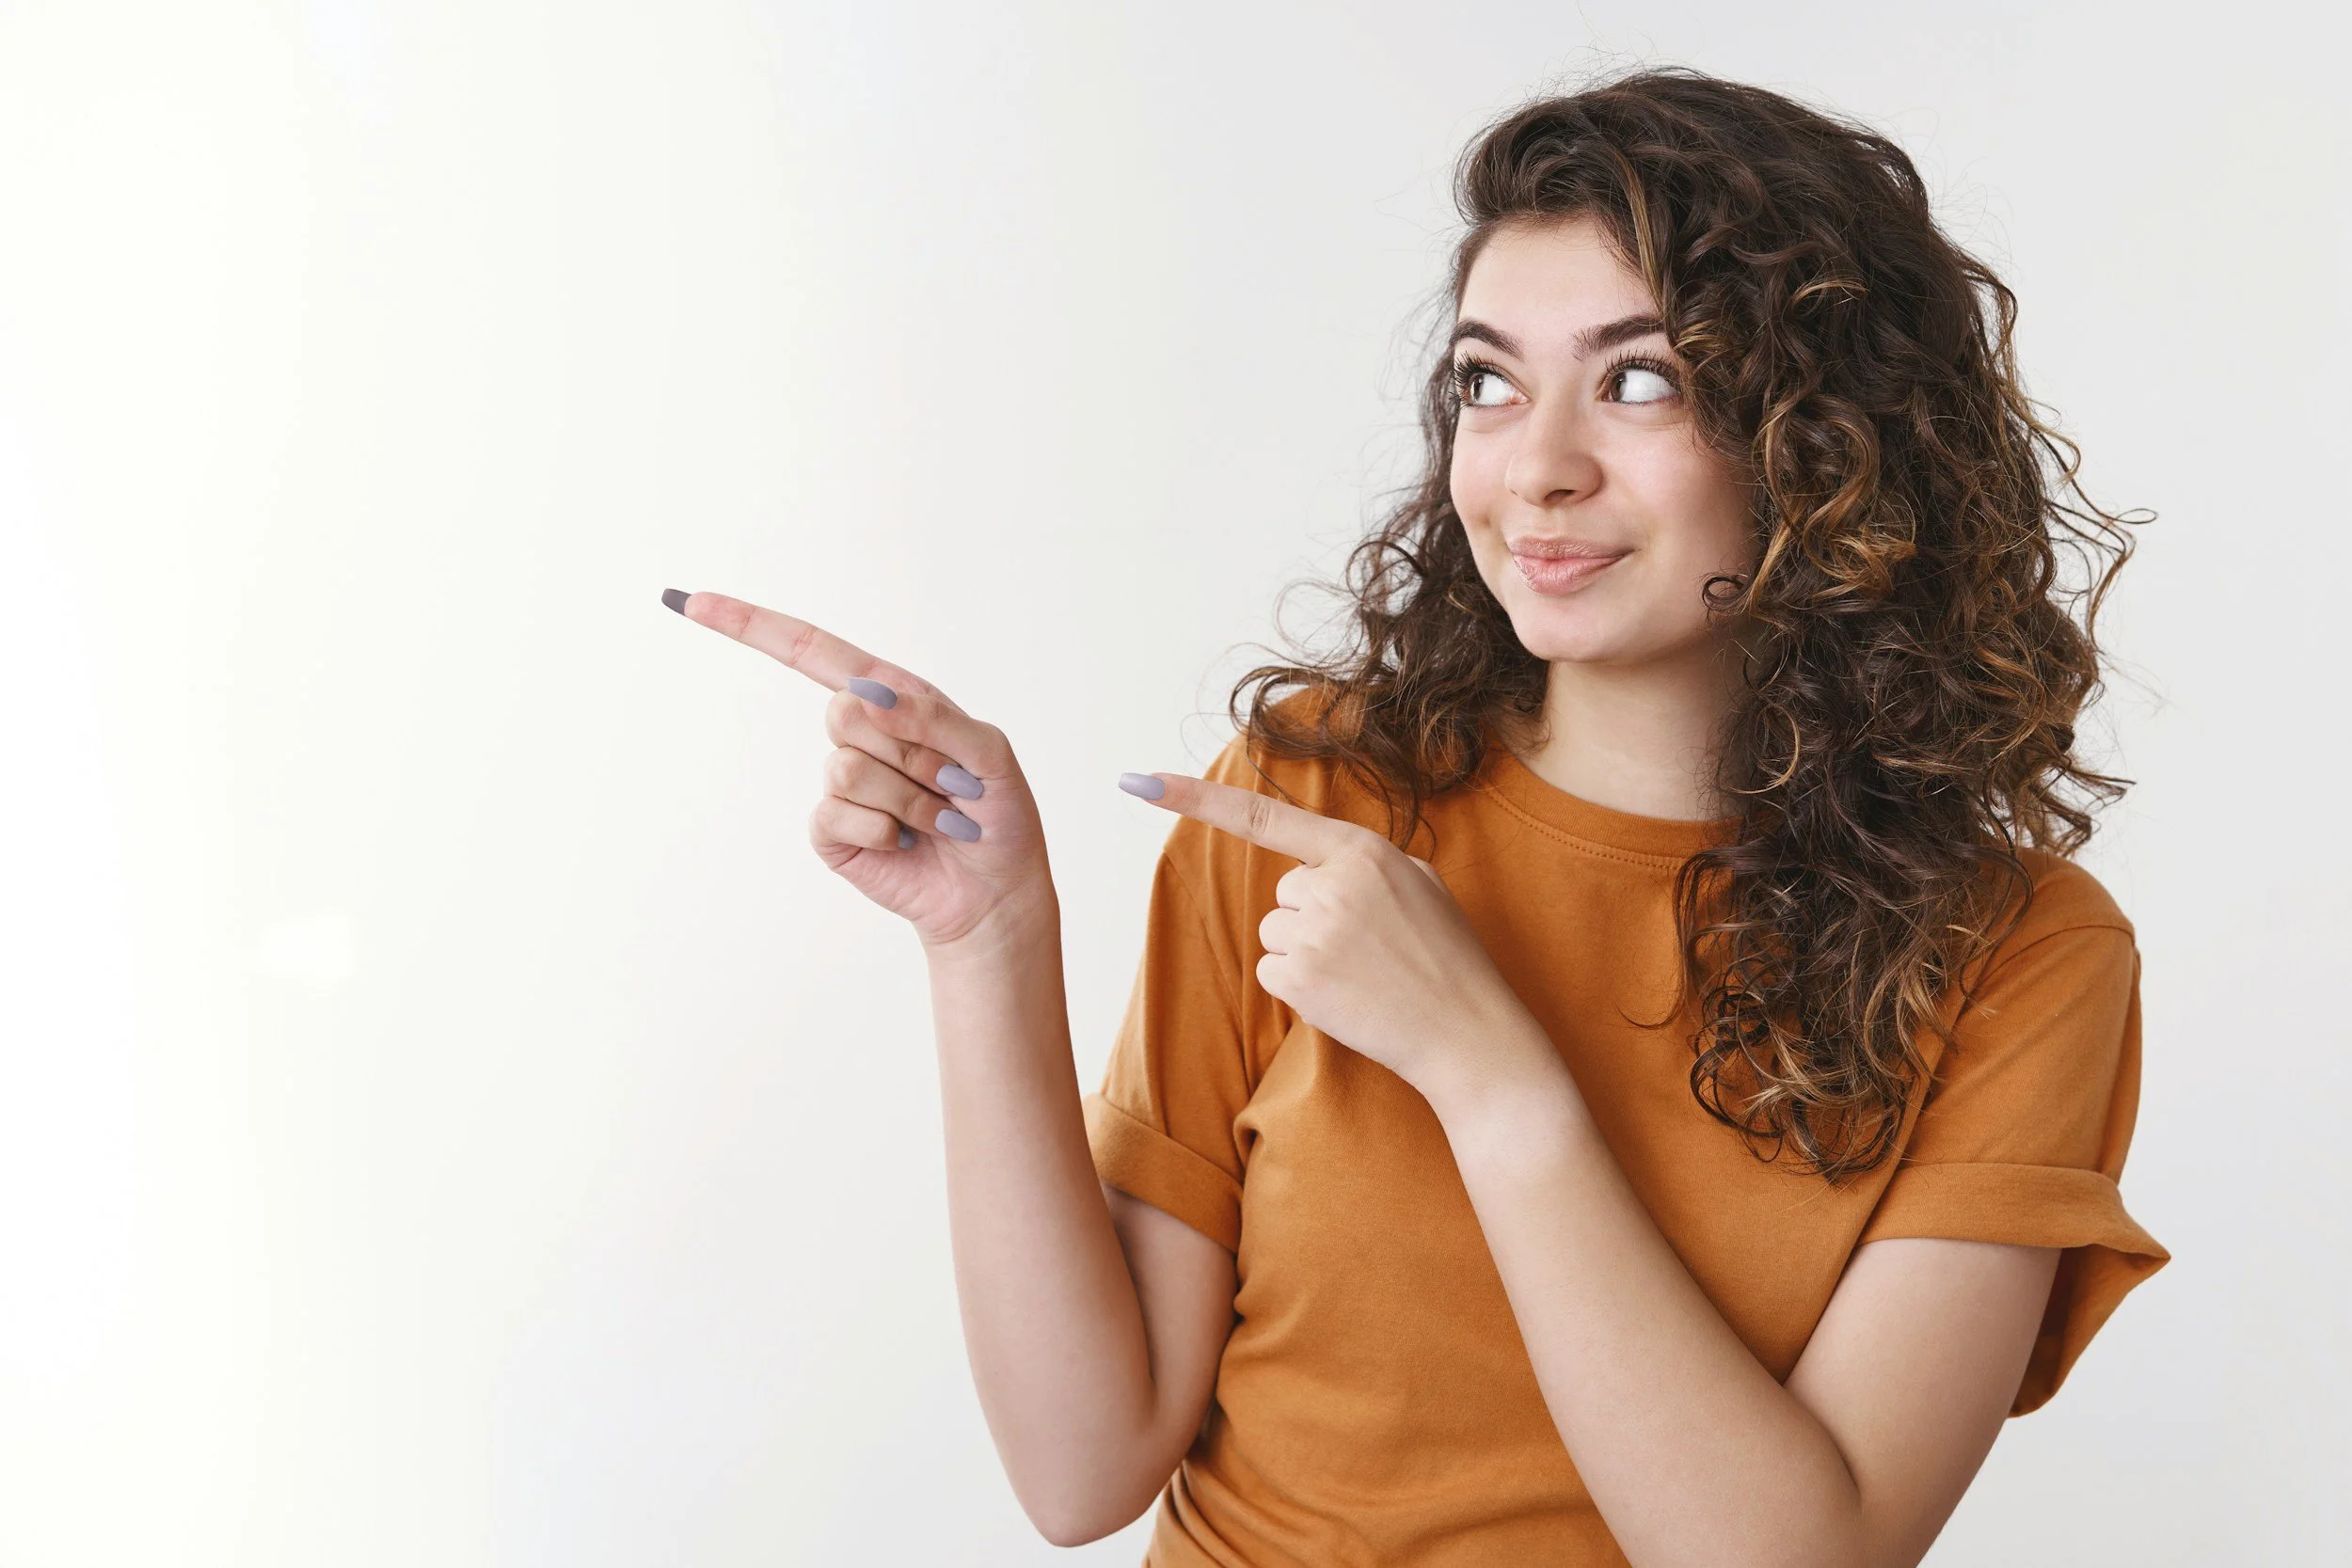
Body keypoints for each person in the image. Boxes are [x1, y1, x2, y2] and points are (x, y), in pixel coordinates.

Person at [664, 65, 2167, 1568]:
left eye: (1642, 378)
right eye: (1488, 380)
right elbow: (1082, 1468)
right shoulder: (1315, 794)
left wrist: (1489, 1073)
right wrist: (989, 940)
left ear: (1832, 441)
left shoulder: (2020, 956)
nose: (1537, 468)